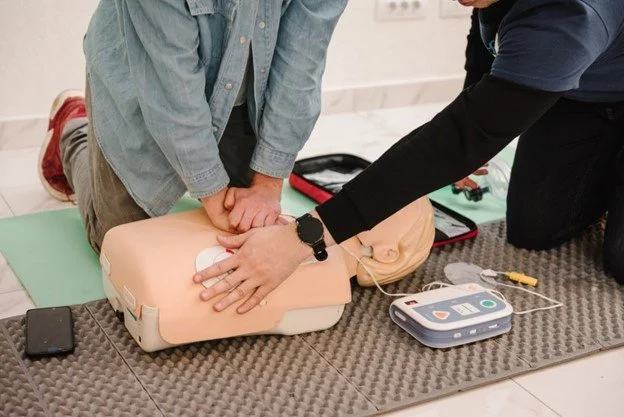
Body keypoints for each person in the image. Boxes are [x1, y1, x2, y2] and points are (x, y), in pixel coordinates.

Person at [194, 0, 624, 314]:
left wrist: (303, 238)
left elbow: (456, 140)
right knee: (535, 229)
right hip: (580, 92)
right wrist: (480, 97)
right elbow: (489, 34)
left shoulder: (567, 19)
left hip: (590, 61)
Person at [38, 0, 347, 253]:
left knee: (247, 229)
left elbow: (302, 61)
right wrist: (212, 193)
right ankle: (74, 127)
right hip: (145, 72)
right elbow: (170, 87)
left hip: (244, 84)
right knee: (115, 244)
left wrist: (267, 182)